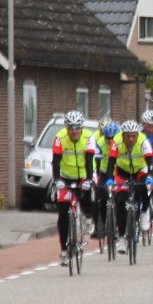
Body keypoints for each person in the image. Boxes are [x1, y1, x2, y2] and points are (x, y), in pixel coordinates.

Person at [52, 111, 97, 265]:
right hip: (65, 176)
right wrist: (57, 180)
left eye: (77, 127)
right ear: (66, 128)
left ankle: (88, 217)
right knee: (63, 213)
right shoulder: (60, 138)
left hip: (84, 174)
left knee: (88, 192)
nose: (74, 131)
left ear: (81, 127)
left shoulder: (88, 137)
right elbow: (55, 161)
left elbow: (89, 161)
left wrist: (89, 180)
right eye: (70, 128)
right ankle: (64, 250)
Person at [112, 120, 153, 253]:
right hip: (122, 172)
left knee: (145, 188)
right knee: (120, 202)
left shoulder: (143, 141)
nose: (131, 139)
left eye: (133, 136)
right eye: (128, 136)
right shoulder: (116, 141)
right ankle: (121, 237)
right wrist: (109, 179)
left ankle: (144, 212)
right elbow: (110, 163)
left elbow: (150, 163)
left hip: (140, 170)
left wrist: (150, 177)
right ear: (123, 135)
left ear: (137, 135)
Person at [93, 121, 120, 242]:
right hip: (104, 173)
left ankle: (118, 226)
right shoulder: (99, 143)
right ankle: (101, 225)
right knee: (101, 198)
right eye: (107, 138)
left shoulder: (121, 144)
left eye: (112, 138)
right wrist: (98, 178)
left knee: (119, 198)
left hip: (118, 174)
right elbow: (97, 162)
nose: (110, 140)